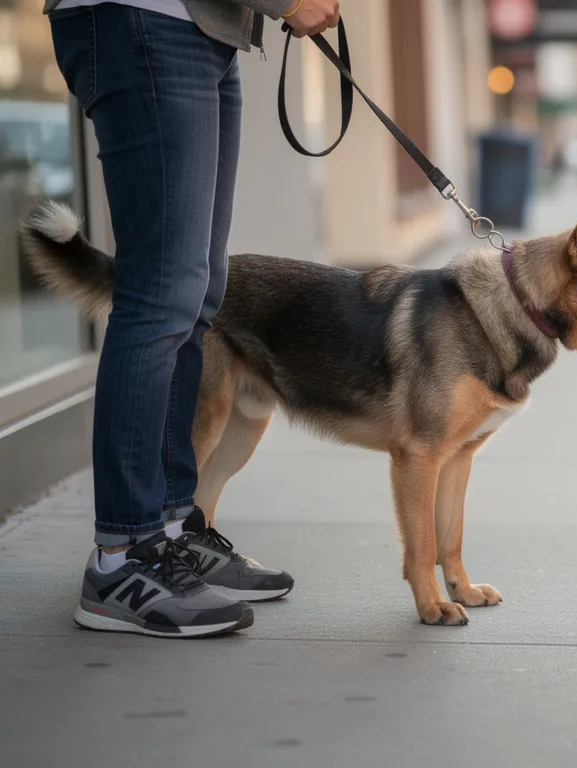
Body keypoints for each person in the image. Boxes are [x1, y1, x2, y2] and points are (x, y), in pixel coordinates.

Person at [43, 0, 340, 638]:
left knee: (198, 293)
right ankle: (120, 559)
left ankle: (174, 528)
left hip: (205, 26)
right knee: (160, 295)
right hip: (140, 18)